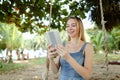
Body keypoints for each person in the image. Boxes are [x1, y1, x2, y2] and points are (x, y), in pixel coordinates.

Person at [47, 15, 94, 80]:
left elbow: (87, 76)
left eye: (73, 25)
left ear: (80, 28)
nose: (69, 28)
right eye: (67, 26)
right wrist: (51, 59)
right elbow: (55, 71)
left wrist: (68, 58)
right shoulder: (62, 45)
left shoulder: (87, 47)